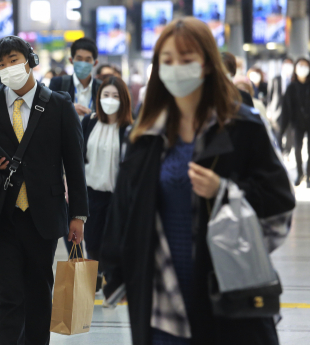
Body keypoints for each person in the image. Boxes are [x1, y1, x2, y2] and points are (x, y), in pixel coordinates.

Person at [100, 17, 295, 345]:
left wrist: (225, 191)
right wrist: (116, 270)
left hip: (227, 298)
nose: (176, 68)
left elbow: (278, 204)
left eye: (187, 60)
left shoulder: (241, 128)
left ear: (206, 64)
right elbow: (124, 207)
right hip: (162, 302)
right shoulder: (146, 136)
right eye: (167, 61)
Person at [0, 36, 88, 345]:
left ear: (30, 60)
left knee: (39, 294)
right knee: (7, 296)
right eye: (1, 65)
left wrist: (78, 215)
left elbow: (74, 163)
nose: (8, 68)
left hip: (42, 215)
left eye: (13, 60)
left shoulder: (58, 104)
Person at [81, 75, 132, 291]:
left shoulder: (129, 127)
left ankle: (114, 280)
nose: (109, 100)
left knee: (114, 242)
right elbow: (79, 157)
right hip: (92, 193)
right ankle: (95, 277)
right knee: (92, 241)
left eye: (115, 96)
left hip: (118, 195)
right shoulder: (89, 122)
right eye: (105, 95)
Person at [49, 37, 102, 117]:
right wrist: (68, 108)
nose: (83, 64)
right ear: (71, 60)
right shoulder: (58, 83)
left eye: (88, 60)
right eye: (79, 59)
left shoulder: (101, 87)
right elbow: (49, 110)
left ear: (95, 63)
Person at [280, 57, 310, 187]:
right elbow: (286, 109)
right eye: (300, 65)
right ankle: (300, 173)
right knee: (297, 149)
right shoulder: (291, 87)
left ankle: (309, 176)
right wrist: (282, 130)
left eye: (305, 65)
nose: (303, 68)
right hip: (297, 123)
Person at [268, 57, 295, 156]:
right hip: (277, 111)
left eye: (290, 64)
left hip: (291, 111)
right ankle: (279, 152)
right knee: (277, 133)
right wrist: (269, 111)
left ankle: (287, 151)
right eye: (286, 64)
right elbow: (270, 96)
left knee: (290, 133)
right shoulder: (275, 79)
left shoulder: (294, 80)